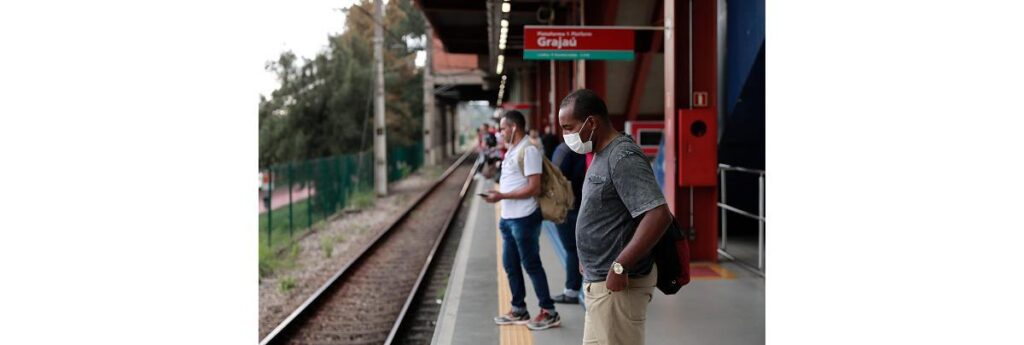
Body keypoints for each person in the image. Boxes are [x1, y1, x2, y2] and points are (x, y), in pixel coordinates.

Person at [557, 89, 673, 345]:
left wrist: (620, 265)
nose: (566, 135)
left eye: (568, 127)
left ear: (591, 122)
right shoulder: (601, 154)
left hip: (618, 287)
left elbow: (658, 214)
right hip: (599, 282)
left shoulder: (622, 157)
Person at [483, 110, 561, 330]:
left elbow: (533, 187)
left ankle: (549, 311)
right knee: (510, 264)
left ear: (514, 127)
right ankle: (519, 309)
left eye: (502, 128)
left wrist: (502, 196)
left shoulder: (529, 151)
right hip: (508, 219)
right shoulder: (513, 150)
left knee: (531, 265)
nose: (500, 133)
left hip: (524, 219)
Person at [549, 140, 587, 304]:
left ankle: (571, 291)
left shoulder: (564, 151)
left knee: (572, 249)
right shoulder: (591, 150)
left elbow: (554, 180)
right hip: (586, 206)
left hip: (569, 207)